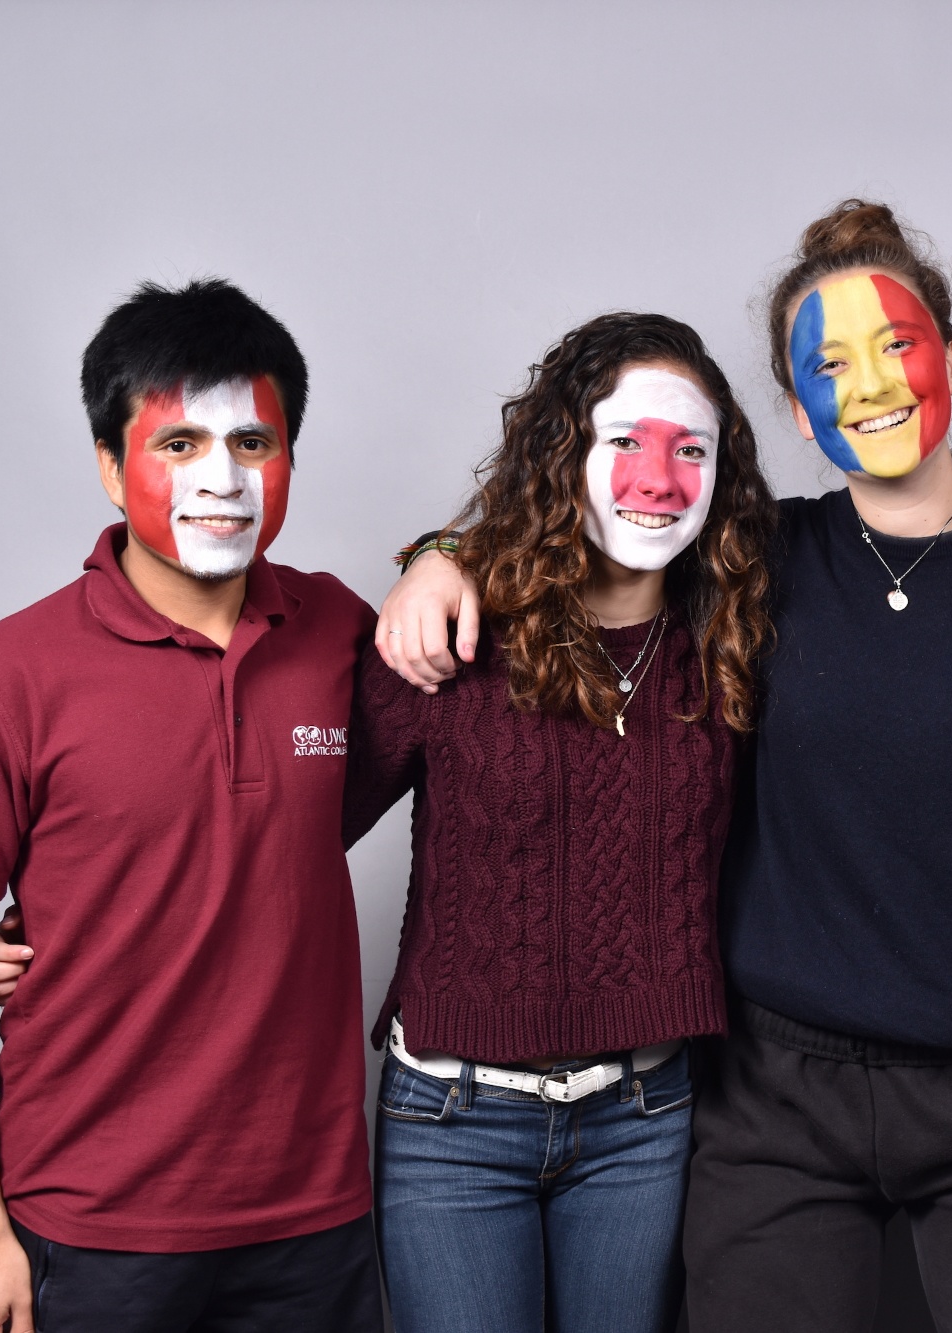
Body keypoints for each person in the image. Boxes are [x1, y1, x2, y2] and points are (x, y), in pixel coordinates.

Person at [378, 200, 952, 1332]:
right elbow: (602, 517)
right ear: (800, 409)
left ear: (951, 355)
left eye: (895, 346)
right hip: (778, 1098)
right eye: (828, 364)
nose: (869, 385)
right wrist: (441, 553)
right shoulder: (753, 565)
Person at [0, 279, 382, 1333]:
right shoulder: (2, 675)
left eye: (255, 444)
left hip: (315, 1218)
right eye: (178, 445)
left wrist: (440, 558)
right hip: (87, 1223)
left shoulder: (340, 631)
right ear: (111, 468)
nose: (223, 478)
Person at [341, 312, 775, 1333]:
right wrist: (66, 920)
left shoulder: (742, 638)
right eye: (622, 442)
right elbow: (284, 834)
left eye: (689, 450)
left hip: (647, 1118)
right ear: (561, 454)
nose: (656, 482)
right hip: (452, 1120)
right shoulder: (453, 633)